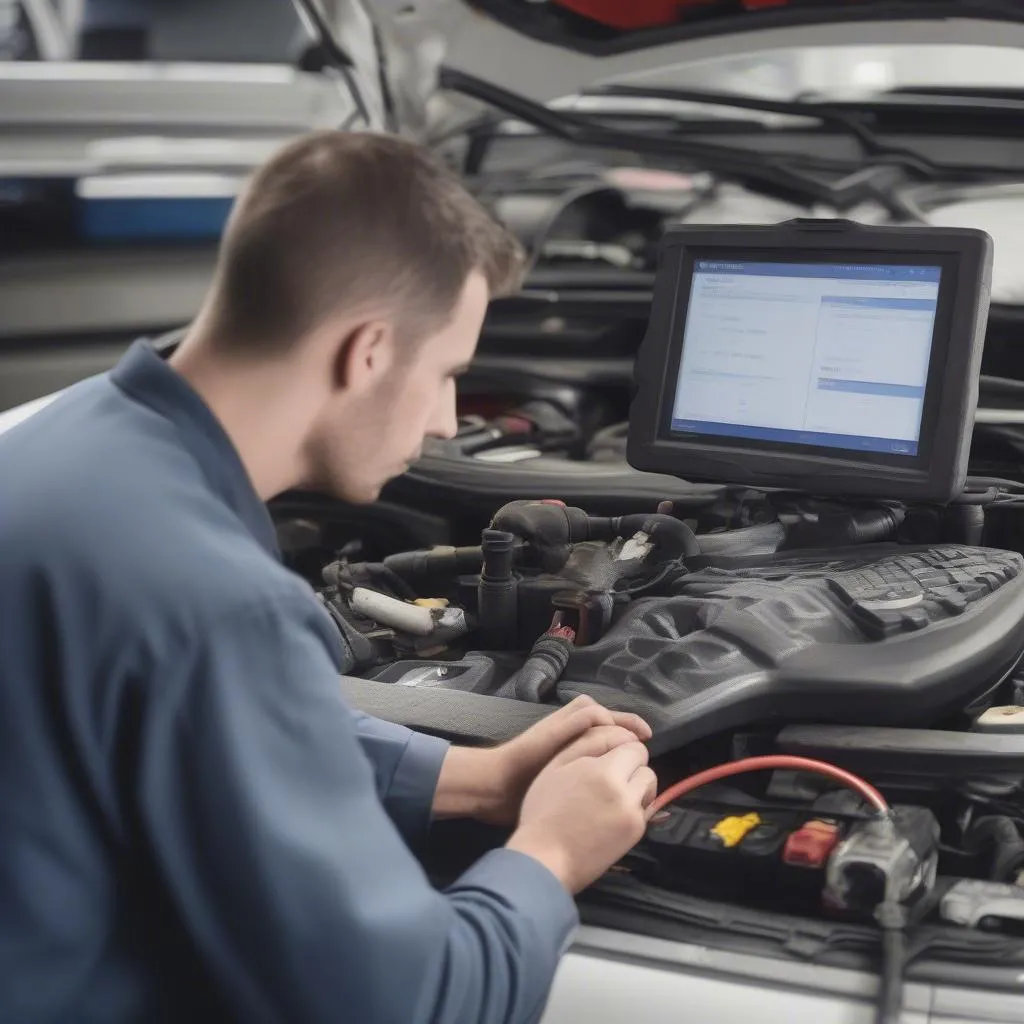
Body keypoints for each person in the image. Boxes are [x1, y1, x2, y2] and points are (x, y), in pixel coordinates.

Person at [0, 131, 658, 1023]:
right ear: (370, 352)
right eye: (447, 374)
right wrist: (551, 850)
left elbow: (179, 719)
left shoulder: (54, 441)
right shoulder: (219, 602)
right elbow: (409, 1004)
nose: (447, 421)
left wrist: (474, 777)